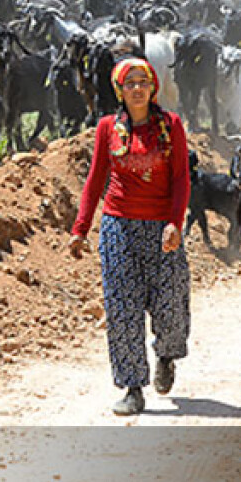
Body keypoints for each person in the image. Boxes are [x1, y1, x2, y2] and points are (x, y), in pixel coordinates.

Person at [68, 56, 191, 416]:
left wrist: (175, 223)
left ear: (153, 88)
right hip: (118, 226)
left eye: (143, 82)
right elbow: (95, 181)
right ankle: (133, 387)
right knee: (122, 309)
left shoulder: (171, 126)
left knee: (170, 306)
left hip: (162, 229)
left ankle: (166, 355)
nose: (137, 88)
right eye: (129, 83)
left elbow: (182, 178)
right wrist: (81, 228)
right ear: (119, 90)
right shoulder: (107, 127)